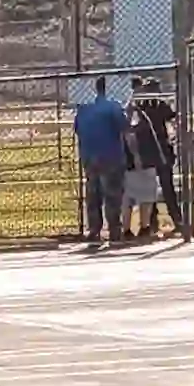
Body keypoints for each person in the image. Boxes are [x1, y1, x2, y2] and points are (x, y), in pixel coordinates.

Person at [70, 71, 133, 251]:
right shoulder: (113, 106)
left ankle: (94, 230)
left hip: (89, 155)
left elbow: (77, 128)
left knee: (93, 193)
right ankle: (114, 230)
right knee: (112, 194)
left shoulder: (84, 106)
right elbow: (124, 127)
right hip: (110, 155)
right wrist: (128, 113)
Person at [126, 80, 187, 241]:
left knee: (152, 190)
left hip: (151, 152)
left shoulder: (144, 107)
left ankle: (153, 224)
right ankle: (173, 221)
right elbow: (172, 119)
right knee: (165, 189)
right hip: (160, 152)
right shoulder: (158, 106)